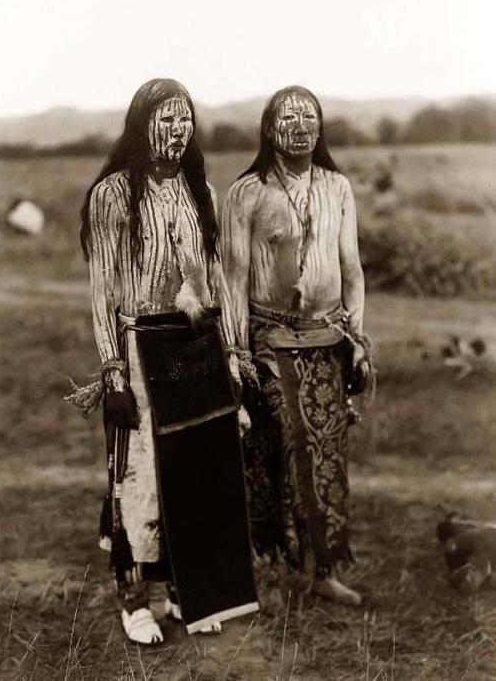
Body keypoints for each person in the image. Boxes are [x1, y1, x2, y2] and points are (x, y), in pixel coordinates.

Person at [78, 78, 258, 644]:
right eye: (166, 120)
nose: (177, 132)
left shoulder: (197, 186)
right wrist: (112, 372)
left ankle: (186, 590)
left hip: (193, 343)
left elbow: (217, 279)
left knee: (193, 469)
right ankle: (135, 599)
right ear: (141, 124)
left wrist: (230, 350)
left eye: (186, 121)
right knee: (138, 476)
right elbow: (102, 289)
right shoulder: (112, 194)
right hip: (139, 346)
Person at [221, 85, 372, 607]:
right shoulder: (247, 192)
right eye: (288, 118)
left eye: (310, 117)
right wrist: (237, 356)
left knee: (327, 458)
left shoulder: (337, 187)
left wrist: (357, 339)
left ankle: (322, 570)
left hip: (329, 340)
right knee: (279, 450)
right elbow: (233, 282)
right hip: (270, 342)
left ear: (320, 127)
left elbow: (352, 271)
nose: (300, 125)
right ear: (269, 130)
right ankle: (270, 573)